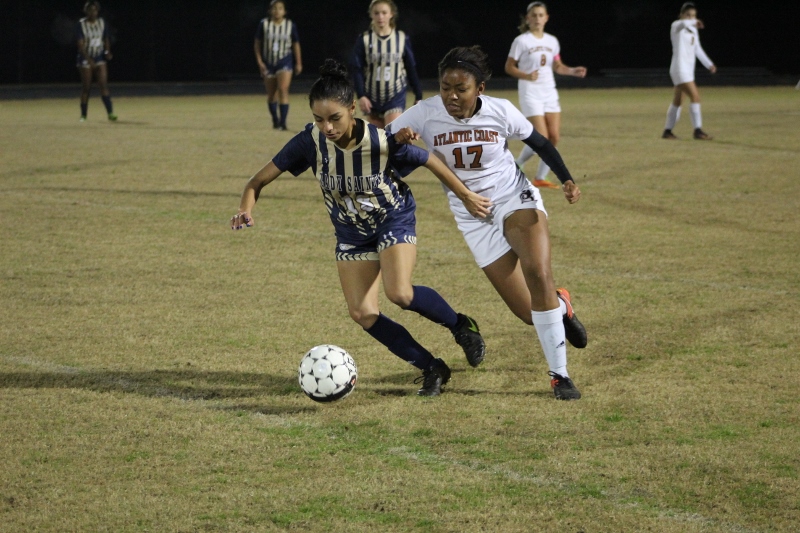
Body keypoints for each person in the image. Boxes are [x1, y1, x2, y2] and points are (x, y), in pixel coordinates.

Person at [231, 60, 491, 397]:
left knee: (400, 293)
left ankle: (461, 326)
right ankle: (431, 367)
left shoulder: (381, 140)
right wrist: (245, 209)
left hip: (392, 218)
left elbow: (428, 160)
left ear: (352, 109)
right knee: (363, 313)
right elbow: (256, 181)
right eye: (319, 119)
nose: (327, 127)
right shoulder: (309, 142)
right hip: (351, 233)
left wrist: (466, 195)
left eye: (334, 118)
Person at [389, 46, 588, 400]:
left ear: (479, 88)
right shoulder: (424, 113)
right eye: (445, 87)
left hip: (513, 197)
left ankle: (560, 376)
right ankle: (561, 306)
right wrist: (397, 142)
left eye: (460, 89)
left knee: (538, 272)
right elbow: (380, 149)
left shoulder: (501, 110)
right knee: (528, 312)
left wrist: (567, 179)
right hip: (473, 216)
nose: (451, 96)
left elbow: (540, 142)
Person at [505, 2, 586, 190]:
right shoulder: (521, 41)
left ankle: (540, 177)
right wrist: (525, 75)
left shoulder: (552, 41)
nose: (537, 19)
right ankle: (517, 164)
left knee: (554, 137)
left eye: (541, 15)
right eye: (534, 15)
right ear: (528, 18)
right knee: (542, 136)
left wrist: (572, 71)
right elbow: (509, 67)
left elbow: (557, 66)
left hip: (549, 92)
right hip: (530, 92)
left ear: (546, 18)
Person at [350, 0, 423, 128]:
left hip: (395, 94)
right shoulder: (364, 39)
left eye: (384, 13)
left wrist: (418, 95)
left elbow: (410, 68)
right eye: (376, 13)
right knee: (376, 138)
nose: (380, 17)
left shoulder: (401, 38)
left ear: (391, 14)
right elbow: (357, 69)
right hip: (372, 95)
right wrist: (361, 96)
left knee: (392, 133)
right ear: (371, 15)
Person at [662, 2, 716, 140]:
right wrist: (693, 21)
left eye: (693, 15)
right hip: (679, 69)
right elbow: (683, 23)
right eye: (688, 15)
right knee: (695, 97)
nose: (691, 18)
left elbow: (697, 49)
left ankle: (667, 132)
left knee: (677, 101)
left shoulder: (693, 29)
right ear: (681, 15)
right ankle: (698, 131)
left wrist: (709, 64)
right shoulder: (676, 26)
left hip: (687, 70)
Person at [254, 0, 303, 130]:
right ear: (270, 10)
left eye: (280, 8)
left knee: (283, 89)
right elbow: (257, 43)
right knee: (272, 94)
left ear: (284, 11)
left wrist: (298, 62)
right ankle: (275, 119)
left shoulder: (290, 25)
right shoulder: (264, 24)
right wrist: (260, 61)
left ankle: (283, 122)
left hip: (284, 60)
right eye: (274, 8)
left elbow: (296, 44)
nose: (277, 11)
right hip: (268, 62)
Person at [76, 1, 116, 122]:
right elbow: (80, 45)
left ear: (97, 11)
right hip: (85, 58)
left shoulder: (102, 22)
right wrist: (89, 60)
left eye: (94, 10)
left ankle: (110, 113)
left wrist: (107, 51)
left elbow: (106, 38)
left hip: (99, 57)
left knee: (103, 85)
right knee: (86, 87)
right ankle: (83, 115)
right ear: (85, 11)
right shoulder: (81, 24)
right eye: (90, 10)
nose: (92, 12)